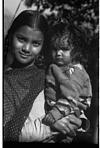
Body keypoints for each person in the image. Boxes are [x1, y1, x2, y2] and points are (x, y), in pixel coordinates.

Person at [4, 10, 82, 142]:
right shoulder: (5, 81)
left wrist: (73, 122)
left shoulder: (49, 76)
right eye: (21, 39)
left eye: (36, 43)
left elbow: (73, 112)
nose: (27, 49)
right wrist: (49, 126)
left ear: (43, 45)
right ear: (11, 35)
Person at [43, 22, 92, 142]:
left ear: (76, 51)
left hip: (67, 111)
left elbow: (71, 98)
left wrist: (54, 114)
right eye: (55, 49)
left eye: (64, 49)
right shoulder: (58, 66)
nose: (58, 53)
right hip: (59, 110)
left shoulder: (75, 72)